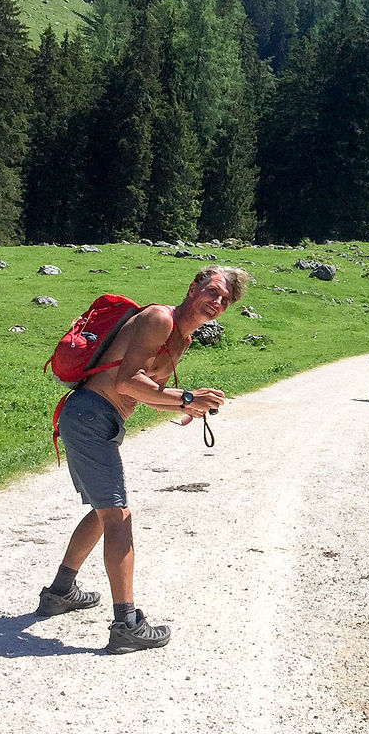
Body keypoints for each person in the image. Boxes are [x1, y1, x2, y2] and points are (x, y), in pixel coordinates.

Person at [37, 265, 251, 654]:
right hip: (89, 414)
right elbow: (125, 382)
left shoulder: (182, 340)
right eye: (213, 291)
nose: (217, 302)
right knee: (118, 518)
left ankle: (59, 592)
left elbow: (146, 393)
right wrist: (186, 397)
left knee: (105, 513)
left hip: (100, 419)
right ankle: (127, 625)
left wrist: (186, 406)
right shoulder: (158, 319)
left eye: (225, 300)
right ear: (193, 287)